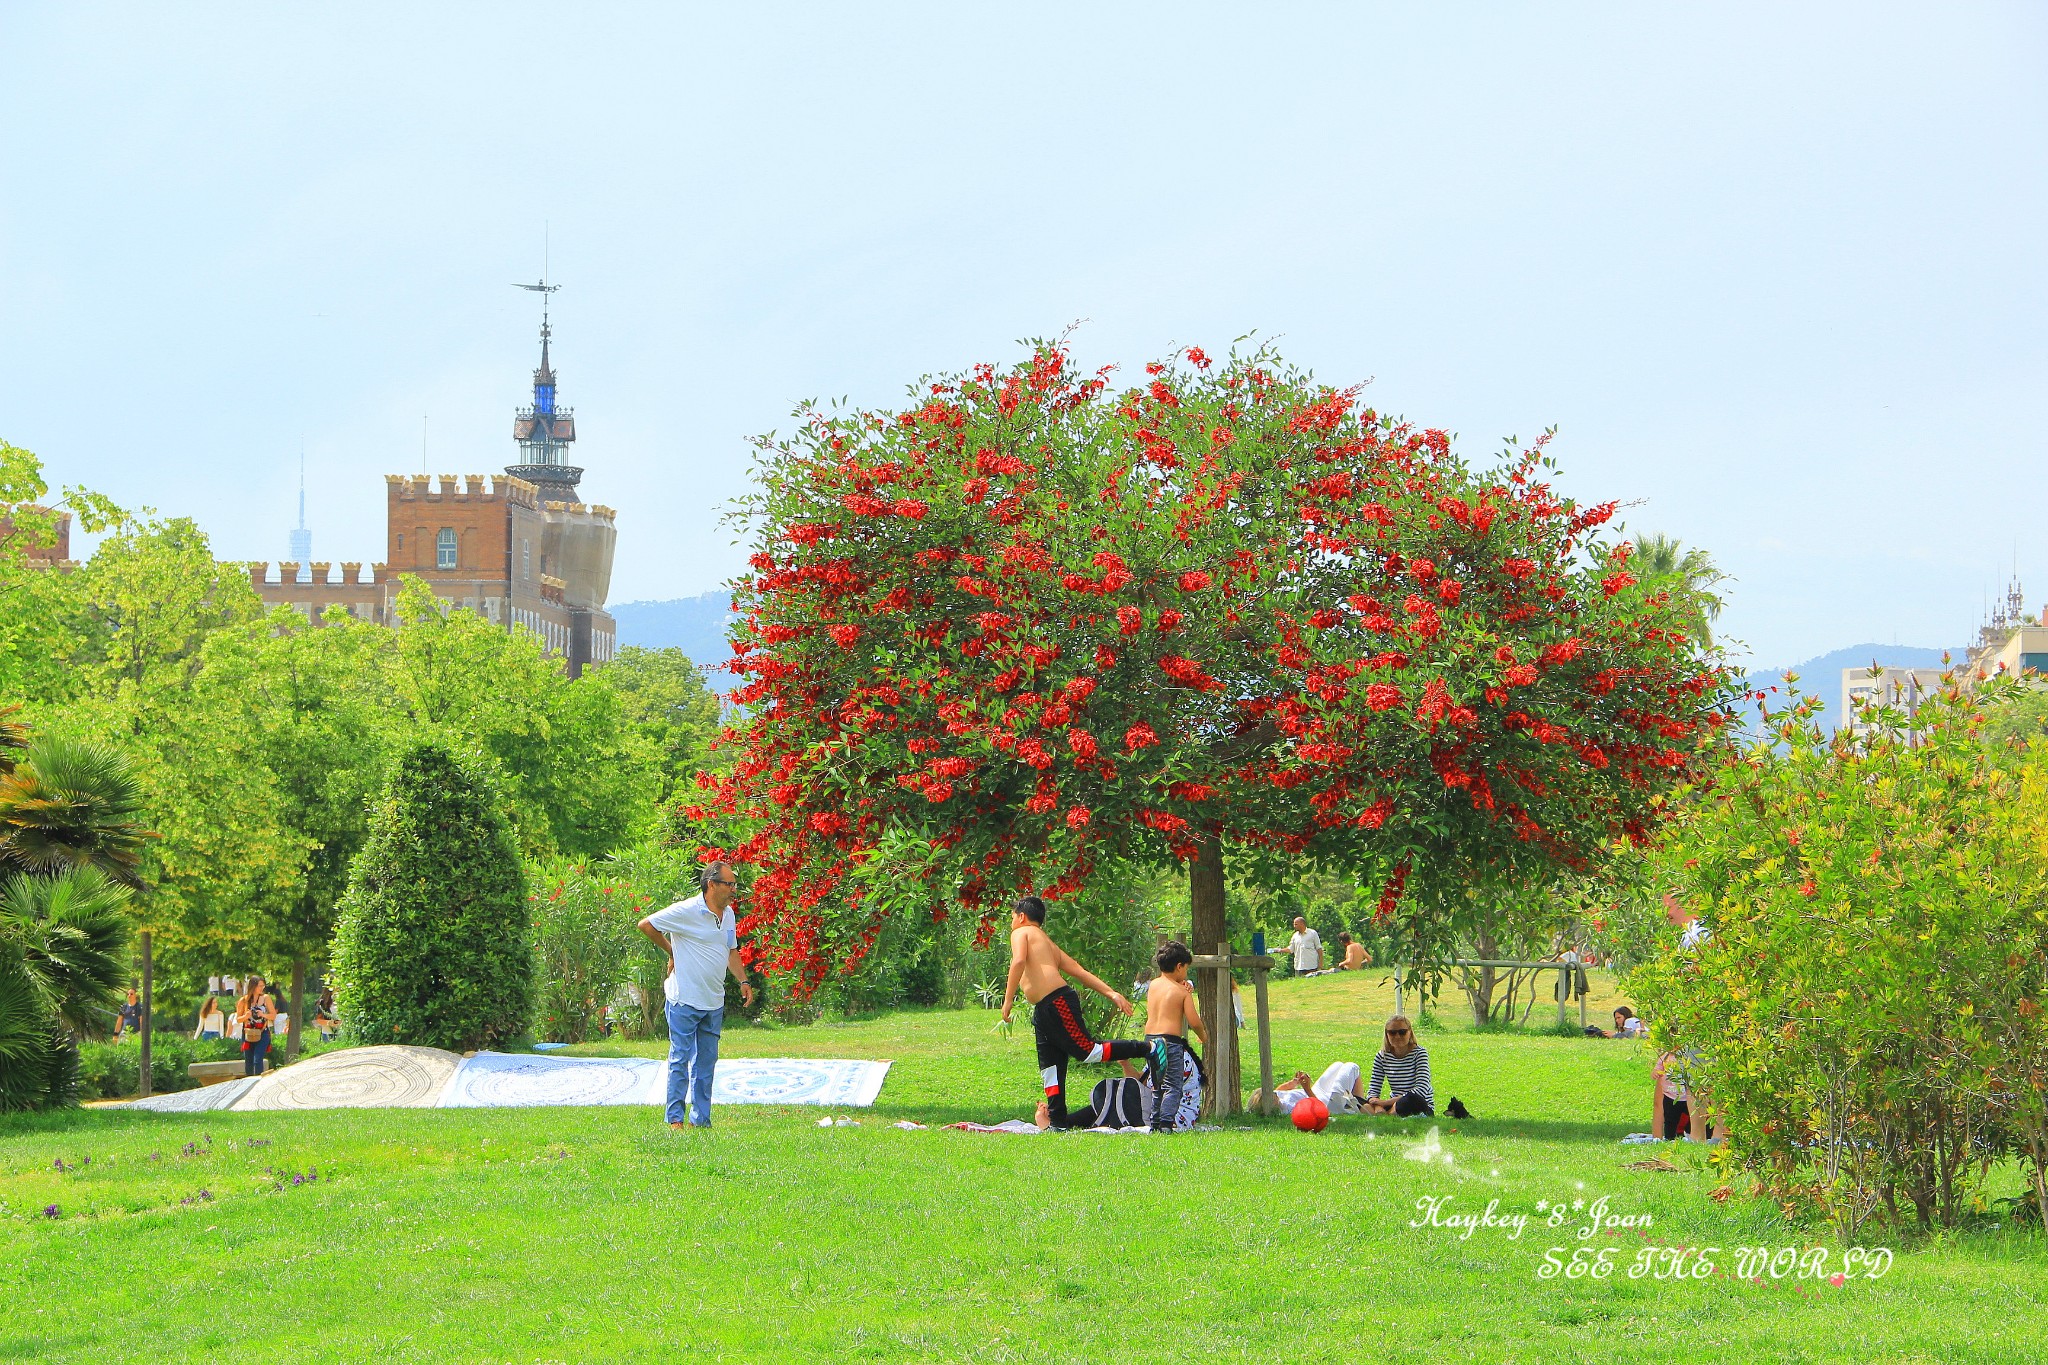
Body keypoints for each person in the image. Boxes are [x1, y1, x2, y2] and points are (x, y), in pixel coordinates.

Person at [1000, 895, 1149, 1130]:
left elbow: (1018, 961)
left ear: (1021, 916)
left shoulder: (1021, 932)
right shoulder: (1047, 944)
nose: (1010, 921)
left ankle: (1146, 1049)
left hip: (1058, 1001)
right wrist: (1111, 993)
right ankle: (1057, 1121)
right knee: (1050, 1066)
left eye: (1011, 916)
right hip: (1044, 1009)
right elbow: (1079, 971)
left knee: (1086, 1051)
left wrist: (1008, 999)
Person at [637, 861, 754, 1130]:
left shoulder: (729, 915)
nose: (733, 889)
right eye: (729, 884)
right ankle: (675, 1120)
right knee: (680, 1059)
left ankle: (700, 1121)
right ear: (711, 884)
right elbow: (646, 924)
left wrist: (743, 980)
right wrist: (672, 952)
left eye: (734, 884)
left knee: (706, 1064)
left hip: (713, 1001)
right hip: (684, 1000)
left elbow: (730, 951)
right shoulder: (687, 910)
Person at [1143, 941, 1209, 1133]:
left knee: (1157, 1083)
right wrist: (1203, 1035)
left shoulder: (1154, 985)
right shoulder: (1181, 992)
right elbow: (1193, 1020)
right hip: (1170, 1041)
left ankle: (1154, 1123)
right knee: (1173, 1085)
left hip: (1150, 1039)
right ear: (1179, 966)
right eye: (1186, 968)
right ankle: (1166, 1124)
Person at [1364, 1016, 1433, 1116]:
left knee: (1410, 1099)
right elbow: (1373, 1089)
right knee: (1363, 1104)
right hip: (1394, 1102)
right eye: (1392, 1033)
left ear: (1410, 1033)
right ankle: (1388, 1113)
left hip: (1416, 1103)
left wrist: (1386, 1103)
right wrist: (1377, 1105)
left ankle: (1388, 1113)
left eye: (1402, 1032)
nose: (1397, 1036)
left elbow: (1421, 1089)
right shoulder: (1382, 1056)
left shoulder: (1419, 1053)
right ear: (1386, 1034)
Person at [1268, 1063, 1368, 1116]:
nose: (1275, 1094)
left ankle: (1358, 1105)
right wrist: (1307, 1089)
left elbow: (1279, 1091)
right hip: (1328, 1103)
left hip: (1318, 1092)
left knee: (1338, 1065)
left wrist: (1292, 1083)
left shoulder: (1275, 1097)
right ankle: (1362, 1107)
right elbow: (1318, 1110)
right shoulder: (1287, 1109)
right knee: (1352, 1067)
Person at [236, 976, 276, 1076]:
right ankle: (250, 1083)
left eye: (263, 986)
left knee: (258, 1060)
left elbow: (273, 1015)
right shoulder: (244, 1000)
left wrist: (263, 1015)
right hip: (248, 1034)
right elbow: (238, 1019)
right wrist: (246, 1016)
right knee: (248, 1062)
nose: (262, 988)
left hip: (262, 1032)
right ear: (253, 986)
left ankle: (259, 1082)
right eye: (260, 986)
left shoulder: (266, 998)